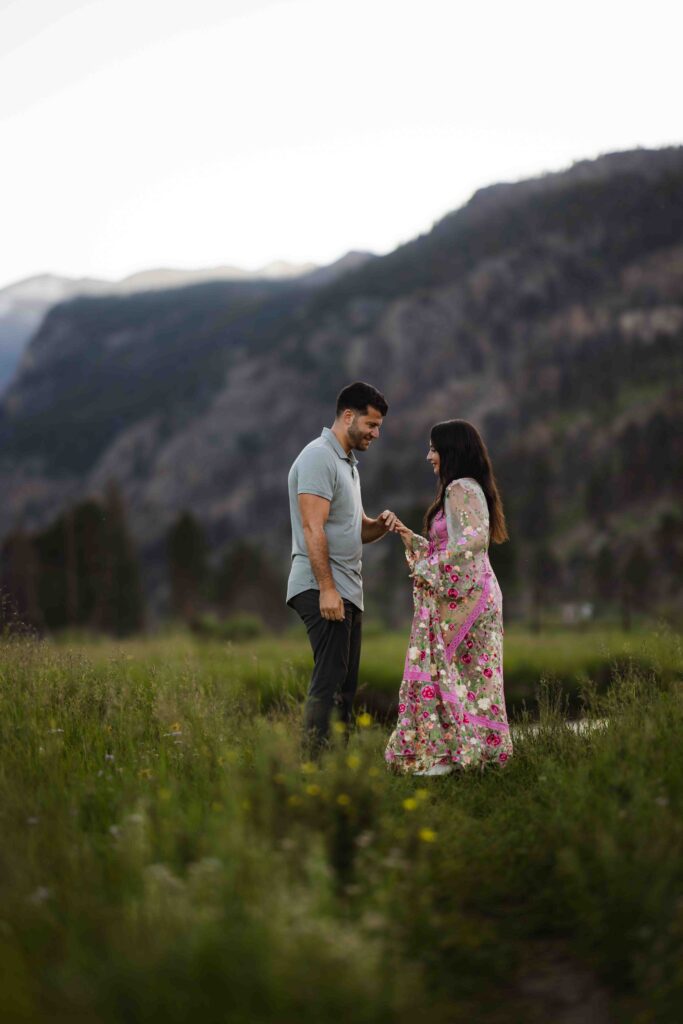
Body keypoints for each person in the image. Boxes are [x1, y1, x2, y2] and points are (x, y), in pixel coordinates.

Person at [385, 419, 513, 776]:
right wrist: (410, 537)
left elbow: (473, 541)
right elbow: (452, 545)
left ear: (451, 451)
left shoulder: (460, 488)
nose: (429, 456)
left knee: (459, 672)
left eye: (434, 448)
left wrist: (430, 568)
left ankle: (457, 756)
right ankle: (464, 754)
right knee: (462, 674)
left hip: (471, 596)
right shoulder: (466, 489)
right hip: (466, 592)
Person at [287, 381, 396, 756]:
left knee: (345, 691)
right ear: (348, 416)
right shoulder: (318, 456)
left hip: (347, 590)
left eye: (378, 426)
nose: (376, 433)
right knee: (329, 685)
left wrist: (379, 525)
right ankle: (313, 769)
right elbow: (312, 527)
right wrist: (328, 589)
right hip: (323, 588)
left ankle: (337, 771)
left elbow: (354, 528)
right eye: (371, 424)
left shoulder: (348, 464)